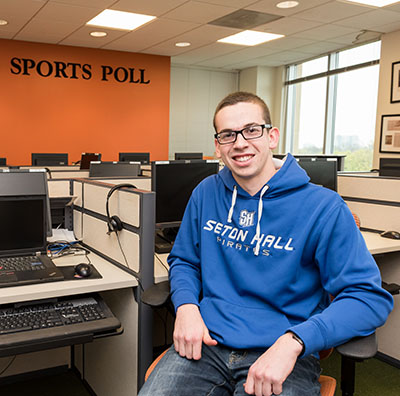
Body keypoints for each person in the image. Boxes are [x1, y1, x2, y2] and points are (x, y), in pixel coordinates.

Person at [139, 92, 393, 396]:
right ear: (217, 146)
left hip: (283, 351)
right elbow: (184, 261)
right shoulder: (206, 193)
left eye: (251, 130)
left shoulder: (324, 208)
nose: (240, 142)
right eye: (228, 135)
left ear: (272, 137)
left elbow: (368, 298)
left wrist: (295, 341)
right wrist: (187, 307)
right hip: (207, 343)